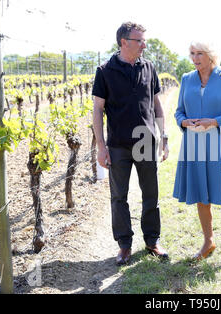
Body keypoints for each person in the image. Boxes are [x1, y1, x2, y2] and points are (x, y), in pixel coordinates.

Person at [92, 22, 169, 266]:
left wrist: (163, 136)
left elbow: (156, 105)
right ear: (124, 42)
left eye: (144, 40)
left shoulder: (149, 67)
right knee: (119, 197)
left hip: (146, 139)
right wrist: (101, 147)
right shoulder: (104, 71)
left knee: (151, 194)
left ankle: (152, 240)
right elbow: (97, 110)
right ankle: (124, 245)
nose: (144, 45)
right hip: (118, 144)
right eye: (140, 41)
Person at [173, 41, 221, 271]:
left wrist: (214, 121)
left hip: (220, 143)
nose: (195, 58)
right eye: (192, 54)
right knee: (201, 195)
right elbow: (179, 111)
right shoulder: (187, 79)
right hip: (194, 143)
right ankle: (208, 242)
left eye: (200, 54)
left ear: (211, 56)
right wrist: (183, 121)